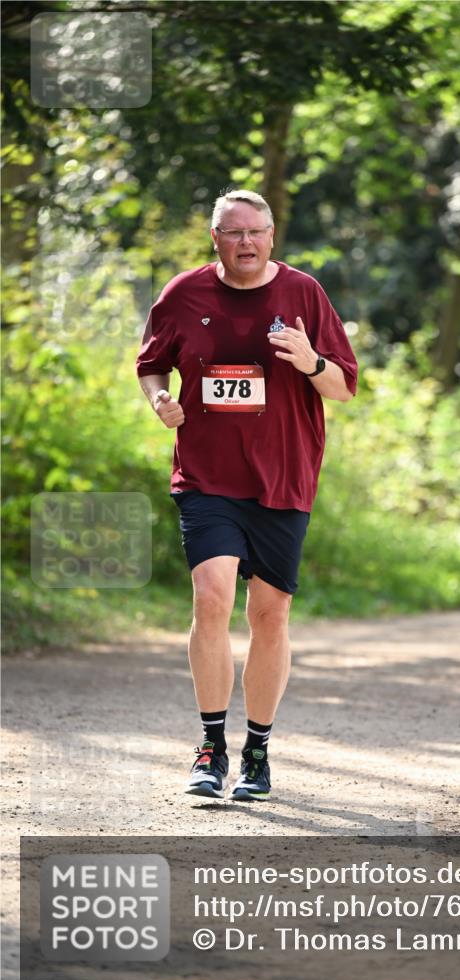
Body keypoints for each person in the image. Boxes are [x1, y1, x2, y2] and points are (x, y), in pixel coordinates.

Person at [136, 189, 358, 802]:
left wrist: (311, 360)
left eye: (255, 232)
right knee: (211, 599)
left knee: (270, 615)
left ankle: (257, 750)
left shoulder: (304, 294)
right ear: (215, 238)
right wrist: (159, 399)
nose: (245, 243)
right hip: (207, 476)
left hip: (283, 476)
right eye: (233, 233)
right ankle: (210, 747)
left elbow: (343, 389)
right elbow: (150, 363)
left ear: (272, 234)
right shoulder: (183, 295)